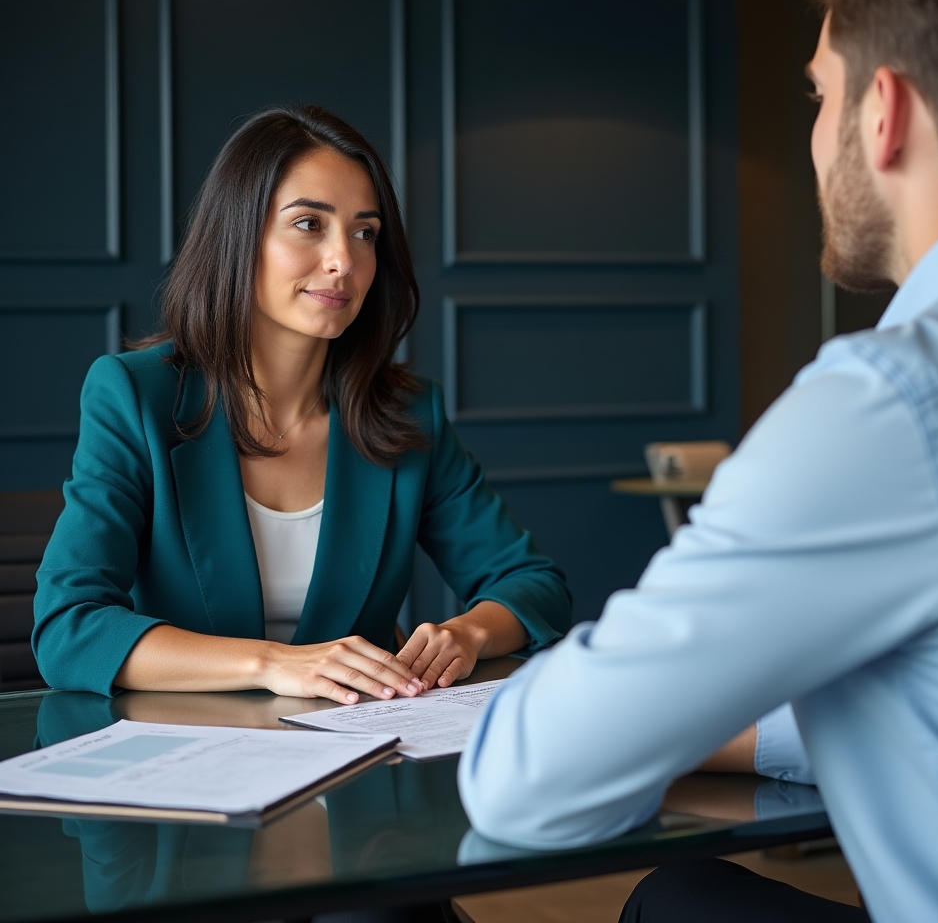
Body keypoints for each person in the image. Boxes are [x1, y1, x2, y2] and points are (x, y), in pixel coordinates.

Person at [457, 0, 938, 920]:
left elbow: (528, 777)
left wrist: (648, 708)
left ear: (883, 113)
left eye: (818, 95)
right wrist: (736, 727)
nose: (812, 135)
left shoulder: (896, 401)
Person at [33, 105, 571, 702]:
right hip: (184, 760)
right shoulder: (135, 395)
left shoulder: (410, 414)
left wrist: (467, 633)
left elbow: (531, 583)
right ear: (239, 235)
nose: (344, 260)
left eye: (365, 233)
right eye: (309, 224)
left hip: (355, 765)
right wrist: (271, 664)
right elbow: (69, 628)